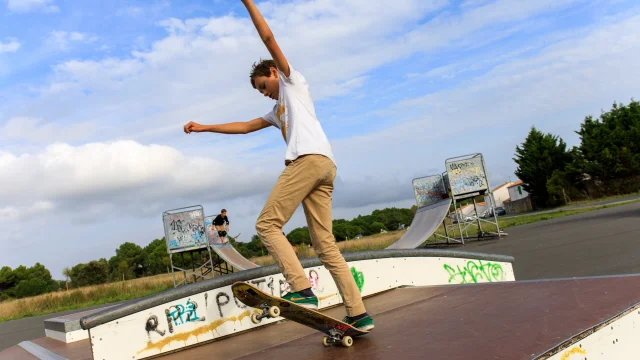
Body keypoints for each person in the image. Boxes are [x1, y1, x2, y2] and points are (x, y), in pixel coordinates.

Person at [183, 0, 373, 331]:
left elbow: (269, 39)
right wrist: (204, 127)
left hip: (308, 162)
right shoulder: (277, 110)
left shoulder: (290, 81)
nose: (264, 94)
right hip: (325, 167)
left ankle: (302, 289)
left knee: (267, 224)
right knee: (326, 247)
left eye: (262, 87)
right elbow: (244, 126)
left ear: (272, 73)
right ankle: (359, 312)